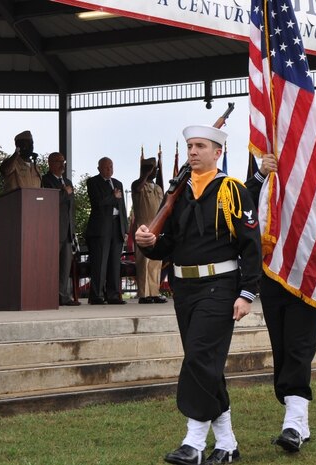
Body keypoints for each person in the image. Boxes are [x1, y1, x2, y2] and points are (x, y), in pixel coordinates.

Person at [135, 125, 261, 465]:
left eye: (200, 146)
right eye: (189, 146)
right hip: (184, 289)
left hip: (220, 287)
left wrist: (248, 292)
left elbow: (251, 245)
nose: (192, 152)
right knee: (206, 364)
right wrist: (148, 244)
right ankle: (227, 443)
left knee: (198, 360)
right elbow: (168, 245)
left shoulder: (231, 190)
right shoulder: (178, 192)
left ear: (217, 152)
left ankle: (193, 442)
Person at [244, 153, 316, 451]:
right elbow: (244, 211)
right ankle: (298, 419)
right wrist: (262, 174)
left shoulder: (313, 174)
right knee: (282, 348)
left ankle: (293, 421)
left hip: (306, 272)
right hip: (273, 272)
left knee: (299, 347)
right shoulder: (266, 180)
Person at [85, 157, 128, 305]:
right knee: (100, 263)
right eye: (106, 167)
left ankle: (113, 295)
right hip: (101, 228)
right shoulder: (93, 182)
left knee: (115, 263)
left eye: (111, 166)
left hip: (117, 227)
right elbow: (97, 203)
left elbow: (122, 208)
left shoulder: (118, 183)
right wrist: (113, 197)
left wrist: (125, 229)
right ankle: (96, 295)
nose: (109, 170)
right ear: (99, 169)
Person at [42, 152, 80, 306]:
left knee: (65, 266)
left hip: (68, 230)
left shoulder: (67, 181)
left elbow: (70, 208)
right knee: (51, 265)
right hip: (54, 229)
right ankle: (48, 295)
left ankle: (63, 296)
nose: (62, 165)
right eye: (58, 162)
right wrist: (65, 192)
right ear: (50, 163)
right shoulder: (46, 180)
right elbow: (49, 202)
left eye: (63, 161)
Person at [131, 157, 166, 304]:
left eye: (155, 169)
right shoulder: (138, 184)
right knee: (144, 262)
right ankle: (144, 294)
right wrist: (144, 174)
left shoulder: (158, 188)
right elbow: (137, 188)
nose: (154, 171)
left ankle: (154, 292)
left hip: (157, 228)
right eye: (151, 169)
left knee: (155, 262)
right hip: (143, 227)